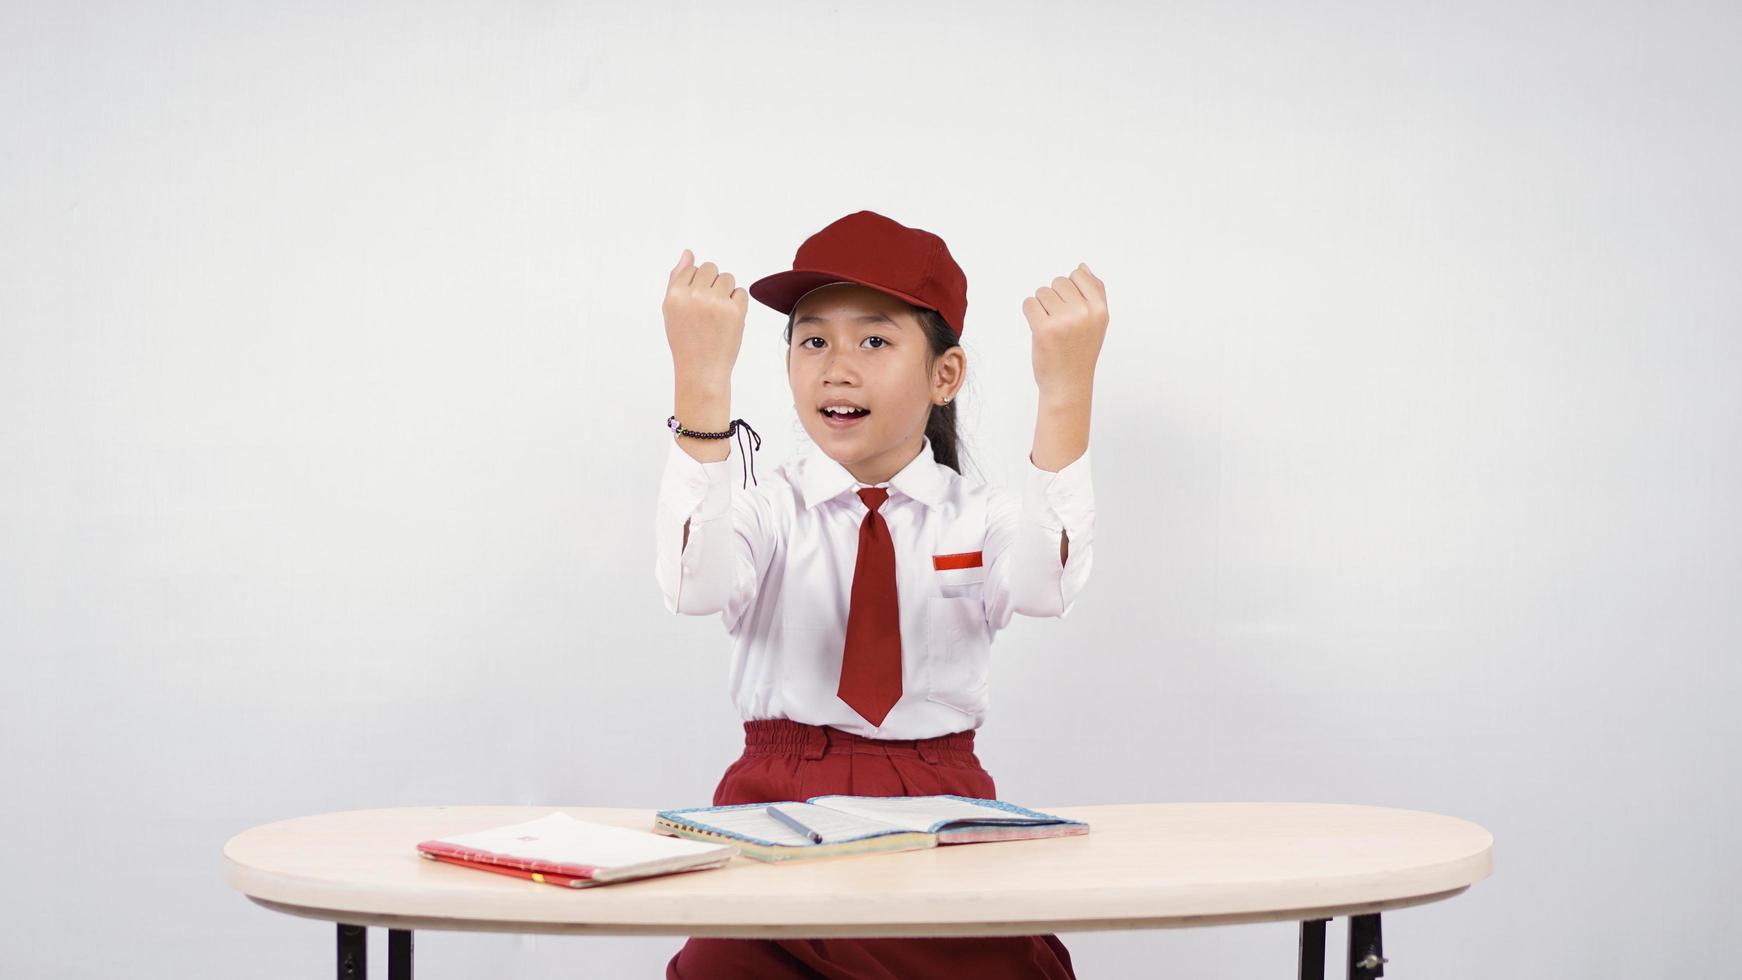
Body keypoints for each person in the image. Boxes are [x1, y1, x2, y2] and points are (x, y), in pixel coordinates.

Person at [655, 209, 1108, 979]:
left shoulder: (980, 514)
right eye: (812, 339)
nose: (837, 366)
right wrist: (702, 386)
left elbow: (1044, 587)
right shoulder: (765, 507)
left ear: (944, 375)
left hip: (936, 797)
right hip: (776, 797)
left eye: (874, 340)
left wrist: (1064, 392)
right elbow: (693, 587)